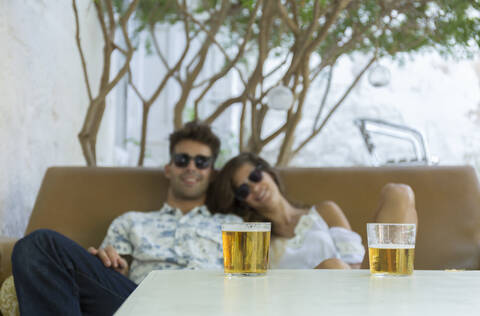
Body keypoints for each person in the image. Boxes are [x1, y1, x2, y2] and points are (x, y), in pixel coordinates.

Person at [11, 121, 242, 316]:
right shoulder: (131, 221)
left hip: (209, 307)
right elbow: (107, 279)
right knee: (38, 246)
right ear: (169, 168)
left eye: (201, 162)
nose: (191, 167)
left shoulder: (234, 226)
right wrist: (111, 267)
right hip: (140, 304)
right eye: (182, 160)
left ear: (212, 173)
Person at [208, 152, 418, 270]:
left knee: (398, 193)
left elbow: (354, 263)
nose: (254, 188)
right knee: (331, 266)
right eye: (244, 189)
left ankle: (391, 292)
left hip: (350, 292)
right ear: (243, 201)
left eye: (254, 177)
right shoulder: (252, 237)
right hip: (302, 305)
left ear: (268, 173)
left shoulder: (325, 211)